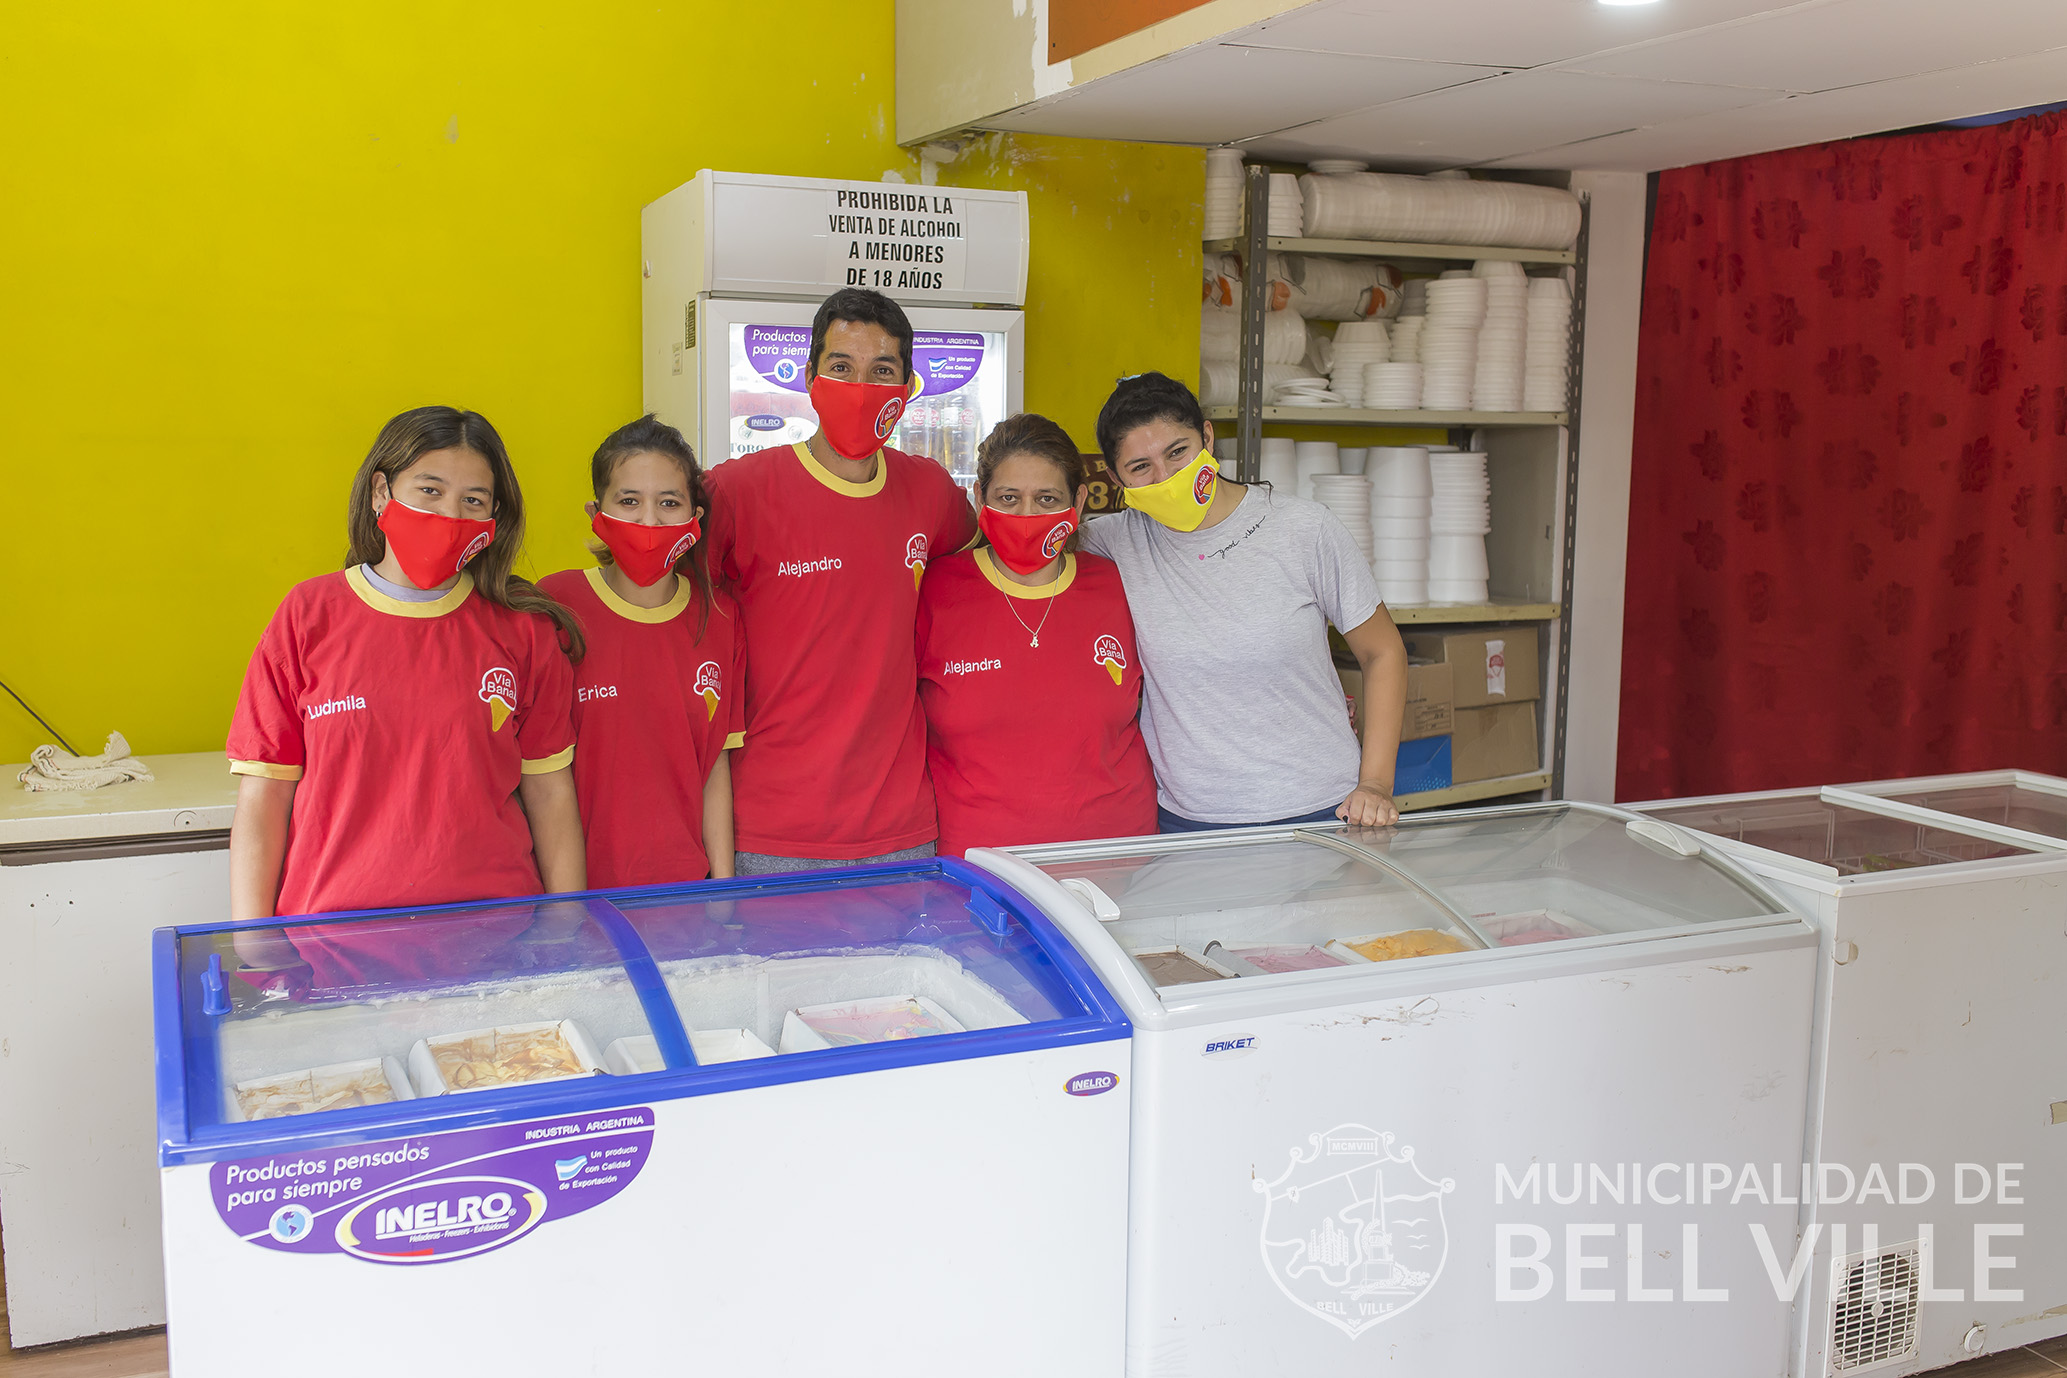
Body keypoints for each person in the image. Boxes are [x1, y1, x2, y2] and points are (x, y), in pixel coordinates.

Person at [224, 406, 586, 988]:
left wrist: (564, 924)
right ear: (380, 492)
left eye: (473, 500)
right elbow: (265, 794)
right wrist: (254, 941)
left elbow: (549, 792)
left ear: (494, 517)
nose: (450, 515)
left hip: (491, 942)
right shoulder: (307, 616)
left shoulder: (523, 632)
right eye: (430, 491)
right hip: (331, 944)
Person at [704, 287, 977, 874]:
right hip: (772, 829)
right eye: (841, 367)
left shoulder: (930, 490)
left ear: (906, 388)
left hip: (900, 826)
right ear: (810, 378)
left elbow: (986, 570)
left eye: (882, 370)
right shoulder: (738, 491)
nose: (861, 386)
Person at [1081, 372, 1409, 832]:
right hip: (1188, 822)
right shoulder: (1112, 543)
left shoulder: (1304, 529)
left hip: (1321, 808)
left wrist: (1375, 783)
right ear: (1117, 479)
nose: (1166, 477)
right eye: (1141, 467)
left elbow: (1383, 651)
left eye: (1177, 452)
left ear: (1207, 438)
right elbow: (1026, 539)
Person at [917, 413, 1156, 855]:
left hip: (1118, 854)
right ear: (979, 497)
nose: (1027, 515)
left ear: (1078, 501)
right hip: (978, 864)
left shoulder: (1119, 585)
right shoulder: (934, 590)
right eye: (1008, 498)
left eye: (1047, 499)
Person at [539, 415, 743, 888]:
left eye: (669, 503)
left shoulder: (720, 617)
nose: (649, 520)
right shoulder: (554, 606)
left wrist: (723, 892)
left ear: (695, 517)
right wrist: (564, 908)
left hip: (686, 889)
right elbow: (540, 776)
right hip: (580, 891)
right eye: (629, 501)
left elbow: (714, 765)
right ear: (596, 512)